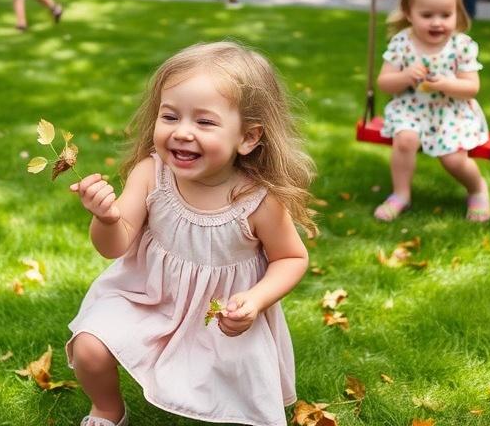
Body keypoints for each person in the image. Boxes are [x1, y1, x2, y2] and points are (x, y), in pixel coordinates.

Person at [67, 41, 315, 426]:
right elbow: (113, 247)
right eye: (170, 116)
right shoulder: (151, 174)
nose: (182, 133)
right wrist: (107, 218)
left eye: (204, 122)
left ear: (248, 137)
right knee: (89, 346)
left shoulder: (258, 200)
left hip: (221, 316)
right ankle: (107, 410)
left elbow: (291, 258)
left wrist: (254, 299)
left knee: (243, 400)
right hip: (149, 297)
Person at [373, 0, 490, 223]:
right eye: (427, 15)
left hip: (451, 111)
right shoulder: (402, 43)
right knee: (405, 140)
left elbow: (472, 87)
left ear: (457, 13)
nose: (437, 22)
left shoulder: (461, 46)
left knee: (453, 160)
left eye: (446, 15)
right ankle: (401, 194)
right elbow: (384, 83)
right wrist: (405, 76)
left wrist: (447, 84)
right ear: (409, 13)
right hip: (412, 108)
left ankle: (477, 188)